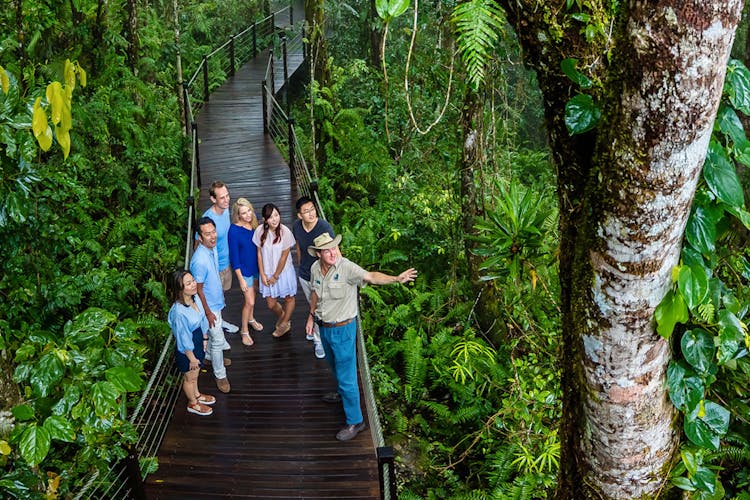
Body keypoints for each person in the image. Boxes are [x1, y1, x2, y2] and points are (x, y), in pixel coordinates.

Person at [305, 233, 417, 441]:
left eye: (335, 248)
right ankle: (342, 394)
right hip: (325, 327)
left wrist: (396, 279)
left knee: (347, 375)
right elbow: (315, 293)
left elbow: (371, 276)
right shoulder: (315, 269)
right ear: (319, 253)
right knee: (333, 364)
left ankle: (355, 421)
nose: (333, 253)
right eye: (327, 250)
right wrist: (311, 317)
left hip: (344, 329)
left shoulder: (346, 267)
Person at [190, 217, 232, 393]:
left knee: (217, 341)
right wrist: (208, 312)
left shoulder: (211, 248)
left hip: (216, 301)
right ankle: (220, 375)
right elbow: (197, 290)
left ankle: (210, 357)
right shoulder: (199, 260)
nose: (213, 236)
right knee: (217, 340)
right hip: (209, 307)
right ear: (200, 237)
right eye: (207, 234)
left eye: (213, 231)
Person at [167, 270, 217, 416]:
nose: (194, 284)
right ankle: (193, 403)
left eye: (193, 280)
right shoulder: (179, 312)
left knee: (195, 374)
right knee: (190, 377)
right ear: (180, 288)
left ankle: (197, 394)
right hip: (187, 349)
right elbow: (182, 337)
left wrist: (205, 338)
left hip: (197, 339)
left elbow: (201, 320)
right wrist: (191, 357)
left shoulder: (194, 299)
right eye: (188, 283)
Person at [292, 196, 334, 359]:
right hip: (304, 274)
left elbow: (334, 250)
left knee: (317, 308)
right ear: (299, 215)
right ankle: (315, 331)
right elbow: (298, 245)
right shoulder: (297, 226)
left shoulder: (324, 226)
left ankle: (318, 340)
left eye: (312, 209)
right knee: (313, 305)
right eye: (306, 211)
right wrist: (300, 263)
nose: (311, 213)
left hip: (322, 275)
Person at [200, 180, 240, 334]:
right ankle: (211, 331)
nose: (227, 199)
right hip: (214, 267)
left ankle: (220, 321)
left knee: (222, 295)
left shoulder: (225, 210)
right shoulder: (208, 220)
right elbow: (199, 243)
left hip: (226, 263)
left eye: (227, 195)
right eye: (222, 197)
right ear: (213, 199)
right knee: (213, 299)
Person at [252, 203, 297, 338]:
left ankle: (284, 324)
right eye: (271, 217)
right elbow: (259, 254)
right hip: (267, 271)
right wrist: (262, 273)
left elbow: (284, 257)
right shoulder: (260, 231)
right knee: (271, 304)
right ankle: (284, 316)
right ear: (265, 219)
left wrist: (276, 276)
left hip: (283, 272)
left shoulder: (285, 232)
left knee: (289, 298)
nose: (274, 219)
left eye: (276, 215)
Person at [228, 198, 263, 346]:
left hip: (256, 268)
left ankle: (251, 319)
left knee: (254, 293)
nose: (248, 214)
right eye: (244, 213)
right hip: (245, 271)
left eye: (249, 210)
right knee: (249, 301)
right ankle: (244, 331)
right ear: (238, 215)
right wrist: (241, 279)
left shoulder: (254, 225)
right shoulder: (234, 231)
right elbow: (234, 258)